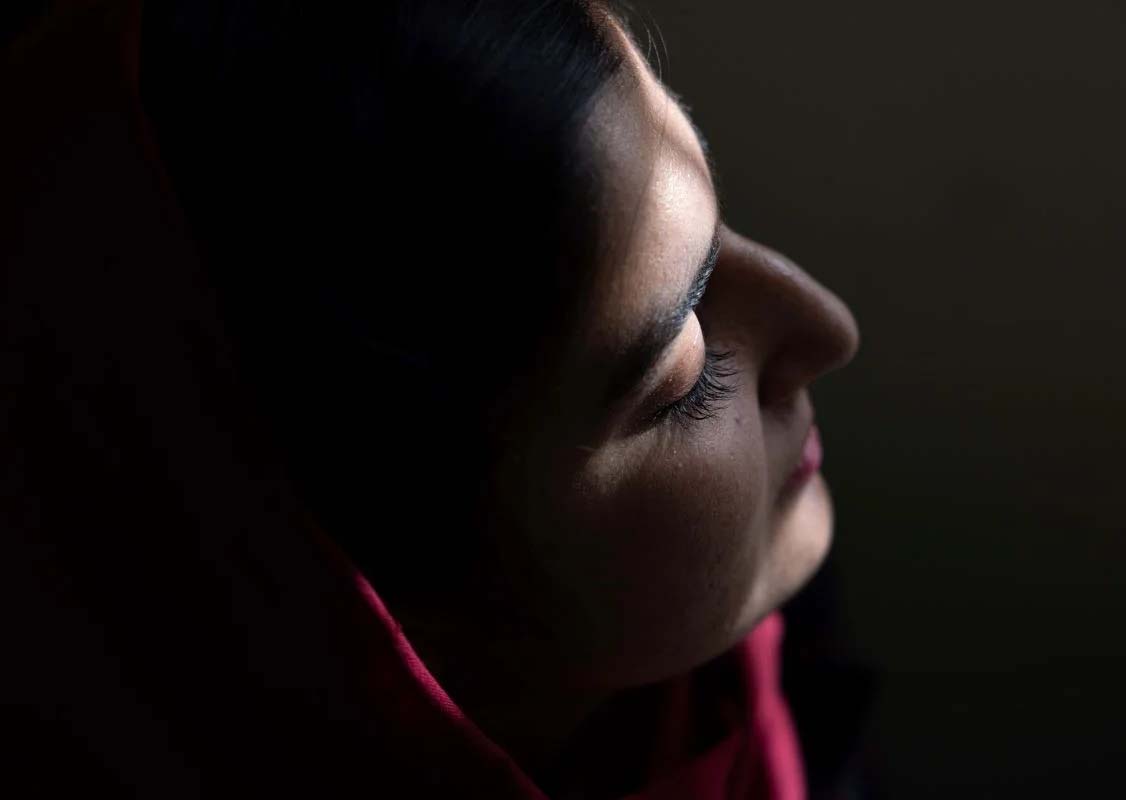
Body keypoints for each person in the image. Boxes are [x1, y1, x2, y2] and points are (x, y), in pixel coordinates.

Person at [0, 1, 859, 797]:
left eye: (717, 224)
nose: (829, 328)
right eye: (686, 369)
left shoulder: (763, 672)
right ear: (376, 607)